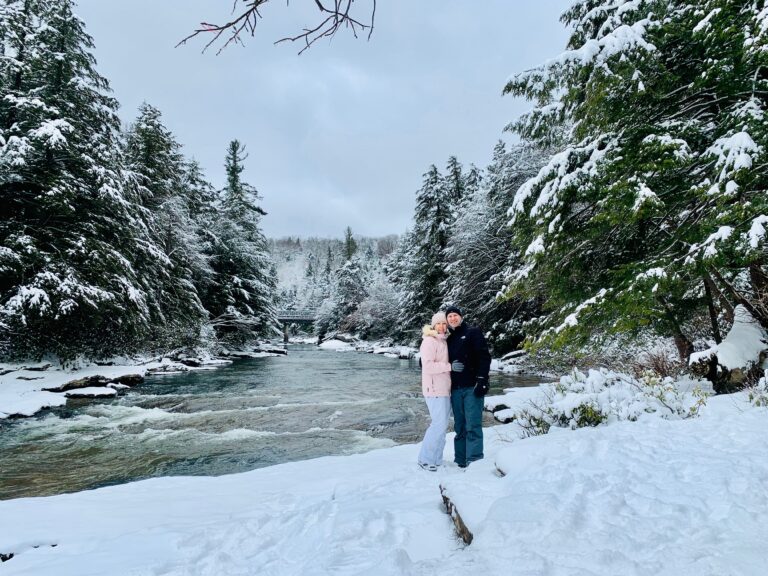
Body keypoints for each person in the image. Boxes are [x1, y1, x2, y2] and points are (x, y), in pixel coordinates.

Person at [445, 305, 491, 468]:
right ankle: (461, 460)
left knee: (473, 424)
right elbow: (439, 359)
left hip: (472, 387)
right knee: (459, 426)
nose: (452, 318)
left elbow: (484, 357)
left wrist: (482, 380)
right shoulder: (448, 339)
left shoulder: (473, 332)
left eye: (455, 315)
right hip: (455, 388)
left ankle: (475, 460)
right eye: (449, 316)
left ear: (461, 317)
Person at [417, 311, 452, 472]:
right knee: (437, 424)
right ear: (433, 325)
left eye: (444, 323)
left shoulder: (443, 341)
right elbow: (428, 366)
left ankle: (436, 458)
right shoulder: (429, 341)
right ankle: (425, 459)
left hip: (444, 388)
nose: (442, 326)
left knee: (442, 425)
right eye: (438, 323)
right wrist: (449, 367)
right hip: (433, 389)